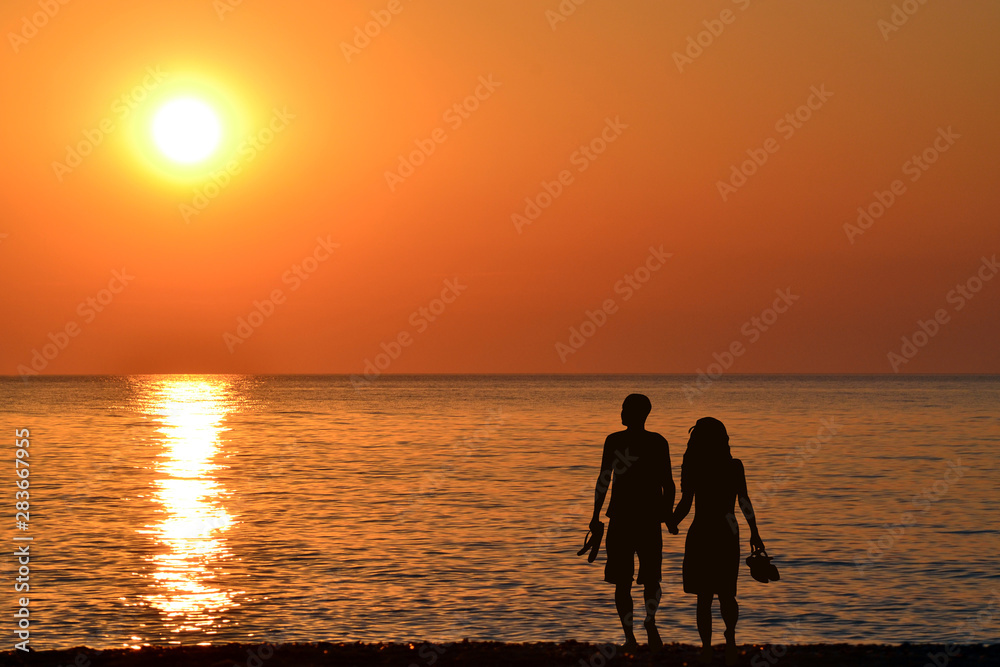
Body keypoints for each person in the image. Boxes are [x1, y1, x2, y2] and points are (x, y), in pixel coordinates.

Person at [671, 417, 764, 666]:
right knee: (726, 593)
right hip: (727, 532)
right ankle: (730, 639)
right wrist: (754, 532)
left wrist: (672, 522)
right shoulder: (734, 466)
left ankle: (707, 648)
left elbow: (685, 503)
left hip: (701, 530)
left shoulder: (693, 466)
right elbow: (744, 500)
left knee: (704, 596)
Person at [589, 393, 677, 652]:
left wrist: (595, 516)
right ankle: (648, 621)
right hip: (648, 519)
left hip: (623, 519)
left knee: (623, 581)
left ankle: (630, 635)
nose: (621, 412)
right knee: (649, 579)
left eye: (625, 408)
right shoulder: (657, 441)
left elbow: (603, 479)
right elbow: (668, 484)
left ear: (637, 413)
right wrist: (667, 514)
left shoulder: (615, 440)